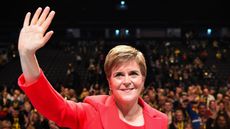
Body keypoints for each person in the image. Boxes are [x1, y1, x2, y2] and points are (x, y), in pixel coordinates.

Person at [17, 6, 168, 129]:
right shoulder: (91, 111)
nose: (127, 81)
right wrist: (27, 55)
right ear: (110, 82)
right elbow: (54, 106)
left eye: (133, 73)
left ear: (143, 79)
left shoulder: (160, 121)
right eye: (119, 75)